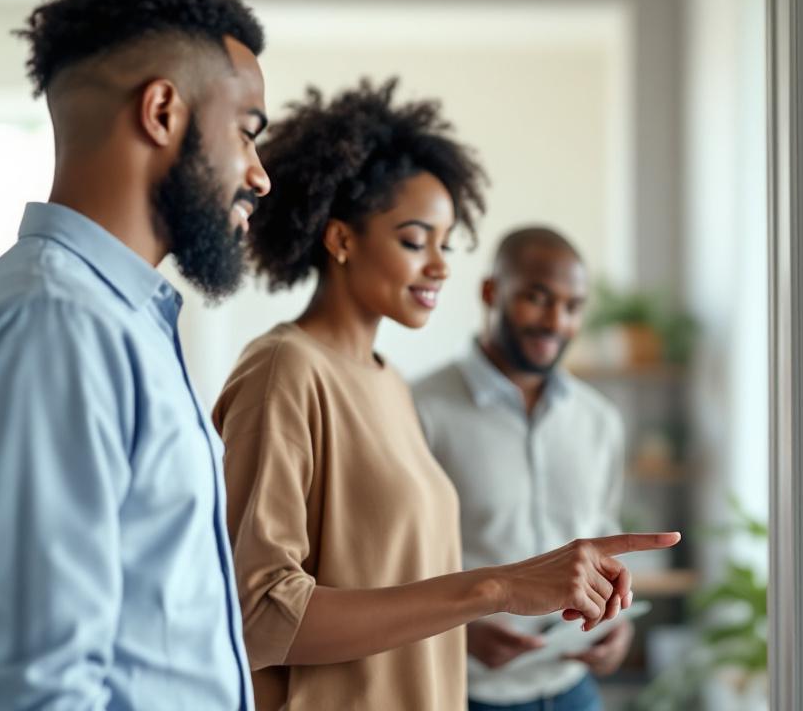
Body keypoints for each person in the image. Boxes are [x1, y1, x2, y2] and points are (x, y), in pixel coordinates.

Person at [215, 79, 679, 710]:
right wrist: (497, 590)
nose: (439, 266)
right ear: (342, 239)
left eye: (444, 243)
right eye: (414, 240)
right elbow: (258, 613)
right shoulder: (285, 371)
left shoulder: (389, 384)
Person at [0, 0, 270, 708]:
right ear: (162, 111)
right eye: (247, 129)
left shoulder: (116, 321)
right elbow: (30, 690)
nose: (259, 173)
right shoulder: (56, 328)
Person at [413, 228, 627, 711]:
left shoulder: (600, 421)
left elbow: (604, 538)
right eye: (537, 298)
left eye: (573, 306)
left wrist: (619, 624)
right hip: (463, 691)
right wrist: (461, 632)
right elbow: (391, 562)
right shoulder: (418, 410)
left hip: (573, 688)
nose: (556, 321)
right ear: (491, 292)